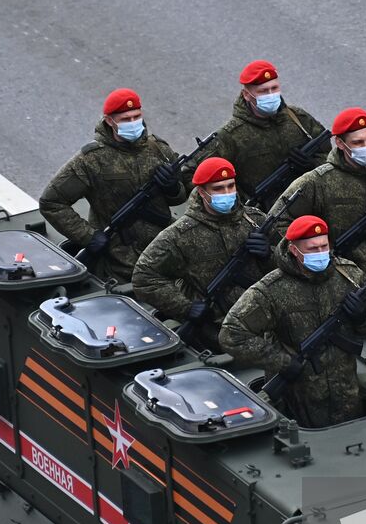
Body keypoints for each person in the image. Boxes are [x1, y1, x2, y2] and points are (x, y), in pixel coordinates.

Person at [220, 214, 366, 428]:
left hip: (346, 389)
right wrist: (282, 361)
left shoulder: (349, 275)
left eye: (324, 246)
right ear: (294, 250)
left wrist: (362, 317)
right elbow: (232, 334)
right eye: (313, 249)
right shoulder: (271, 289)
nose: (321, 253)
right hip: (299, 395)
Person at [39, 88, 188, 282]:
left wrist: (173, 188)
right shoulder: (91, 159)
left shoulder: (158, 149)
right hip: (122, 260)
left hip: (165, 251)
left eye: (137, 117)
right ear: (110, 121)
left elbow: (184, 193)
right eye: (126, 119)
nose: (134, 123)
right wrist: (88, 237)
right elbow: (51, 202)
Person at [273, 107, 366, 275]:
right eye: (358, 143)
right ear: (340, 143)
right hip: (340, 275)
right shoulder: (318, 181)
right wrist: (316, 249)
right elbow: (278, 221)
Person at [132, 157, 272, 336]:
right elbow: (144, 277)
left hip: (264, 322)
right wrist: (186, 308)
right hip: (216, 327)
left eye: (230, 186)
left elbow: (292, 262)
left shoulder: (255, 220)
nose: (227, 193)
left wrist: (269, 254)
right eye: (218, 189)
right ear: (202, 192)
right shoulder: (180, 234)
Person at [198, 60, 327, 203]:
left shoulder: (298, 118)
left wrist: (312, 164)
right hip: (264, 212)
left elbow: (328, 154)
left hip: (309, 201)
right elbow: (202, 177)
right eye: (263, 91)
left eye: (274, 88)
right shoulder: (230, 136)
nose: (271, 95)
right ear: (246, 95)